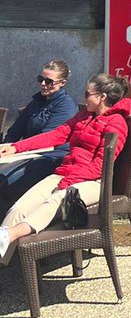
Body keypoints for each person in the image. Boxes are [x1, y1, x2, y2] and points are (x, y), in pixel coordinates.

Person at [0, 73, 131, 264]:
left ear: (101, 97)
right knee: (19, 208)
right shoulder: (84, 116)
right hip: (67, 174)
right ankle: (3, 259)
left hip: (93, 182)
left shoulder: (116, 124)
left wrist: (67, 182)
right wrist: (16, 147)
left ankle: (8, 235)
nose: (84, 98)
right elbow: (56, 135)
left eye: (87, 94)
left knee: (53, 202)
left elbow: (101, 166)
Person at [0, 60, 79, 211]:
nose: (43, 84)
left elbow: (47, 140)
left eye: (49, 81)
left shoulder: (66, 106)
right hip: (28, 153)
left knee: (9, 183)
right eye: (40, 79)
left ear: (62, 83)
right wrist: (6, 147)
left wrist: (15, 149)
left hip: (52, 157)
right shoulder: (37, 102)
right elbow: (16, 129)